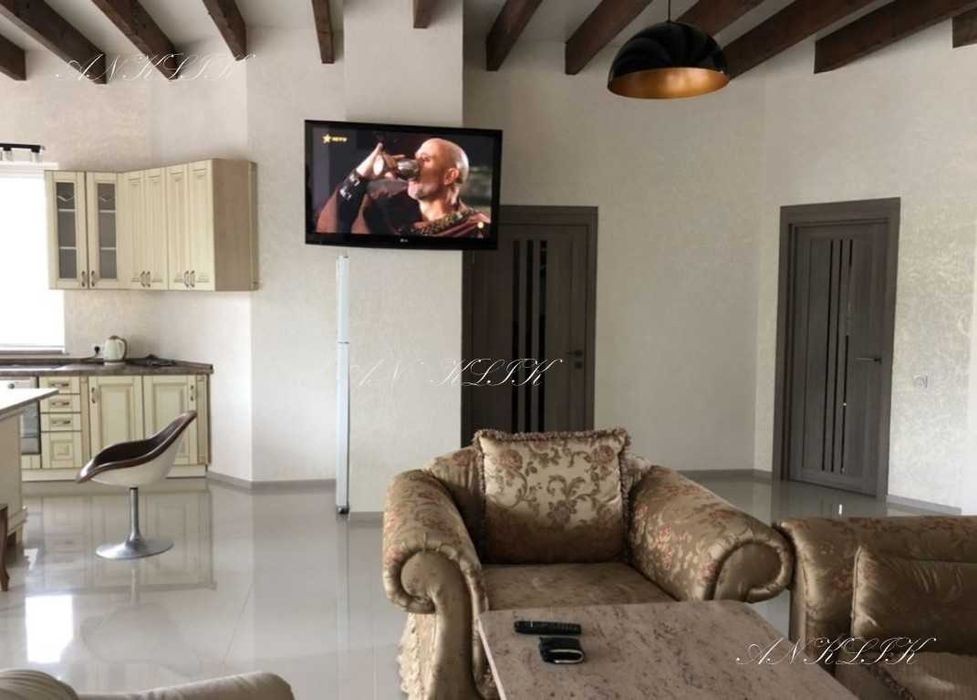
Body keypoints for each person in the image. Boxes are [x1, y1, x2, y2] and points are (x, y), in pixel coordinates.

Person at [315, 137, 490, 238]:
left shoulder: (475, 228)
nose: (414, 165)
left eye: (425, 159)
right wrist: (362, 175)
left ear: (449, 176)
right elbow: (331, 228)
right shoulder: (384, 207)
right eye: (415, 158)